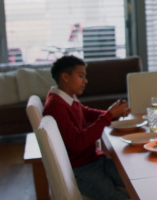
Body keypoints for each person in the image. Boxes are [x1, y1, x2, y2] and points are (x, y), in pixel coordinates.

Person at [43, 55, 130, 200]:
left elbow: (87, 113)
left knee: (134, 178)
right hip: (81, 169)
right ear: (65, 77)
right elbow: (78, 143)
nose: (86, 81)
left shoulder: (67, 98)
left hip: (94, 160)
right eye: (81, 76)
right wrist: (108, 116)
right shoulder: (56, 106)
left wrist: (113, 113)